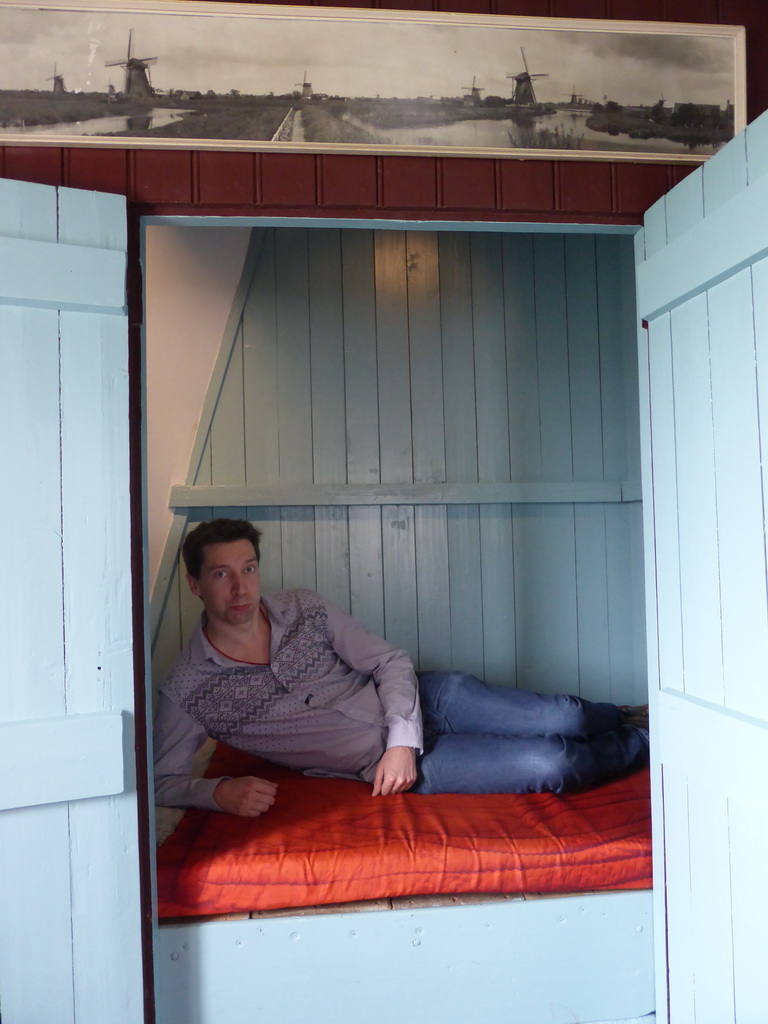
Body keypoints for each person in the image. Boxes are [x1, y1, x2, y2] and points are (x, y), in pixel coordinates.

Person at [153, 518, 649, 817]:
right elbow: (162, 780)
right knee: (556, 764)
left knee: (569, 717)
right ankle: (650, 741)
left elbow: (389, 661)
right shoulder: (189, 690)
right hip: (386, 767)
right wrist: (218, 793)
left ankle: (627, 715)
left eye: (249, 568)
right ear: (196, 585)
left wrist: (403, 741)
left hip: (426, 701)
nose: (241, 588)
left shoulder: (304, 608)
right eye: (221, 575)